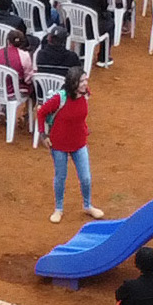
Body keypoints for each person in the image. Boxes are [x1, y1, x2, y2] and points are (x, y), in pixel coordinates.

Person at [37, 69, 101, 224]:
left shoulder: (85, 94)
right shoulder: (60, 98)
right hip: (59, 144)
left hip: (79, 142)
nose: (85, 83)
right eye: (81, 81)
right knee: (61, 177)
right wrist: (43, 134)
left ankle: (87, 205)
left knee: (86, 177)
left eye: (85, 80)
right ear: (73, 84)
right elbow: (41, 113)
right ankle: (58, 209)